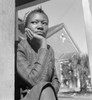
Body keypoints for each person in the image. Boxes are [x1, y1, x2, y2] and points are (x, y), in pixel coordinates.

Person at [17, 7, 60, 100]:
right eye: (34, 22)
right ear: (26, 27)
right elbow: (35, 81)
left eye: (44, 23)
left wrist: (49, 92)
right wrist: (43, 45)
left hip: (46, 96)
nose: (40, 26)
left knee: (47, 88)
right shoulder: (19, 47)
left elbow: (55, 80)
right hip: (26, 97)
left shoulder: (50, 50)